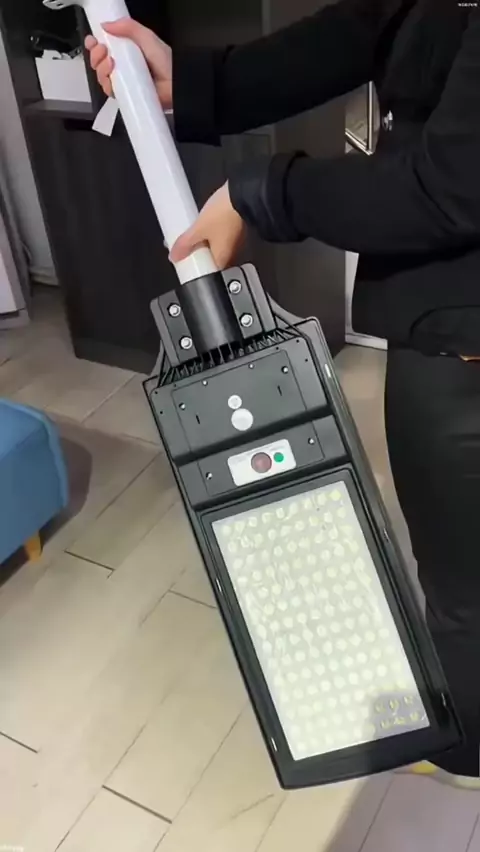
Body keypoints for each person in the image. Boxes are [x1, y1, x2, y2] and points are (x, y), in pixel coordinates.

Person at [86, 0, 480, 788]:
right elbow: (380, 25)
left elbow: (452, 185)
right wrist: (197, 82)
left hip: (464, 337)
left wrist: (262, 192)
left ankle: (466, 746)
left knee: (466, 594)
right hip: (440, 320)